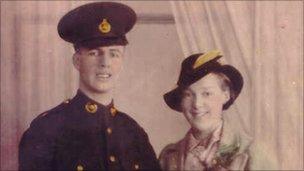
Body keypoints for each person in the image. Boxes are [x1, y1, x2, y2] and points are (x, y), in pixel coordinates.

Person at [18, 2, 160, 171]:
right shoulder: (47, 130)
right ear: (77, 61)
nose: (105, 63)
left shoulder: (134, 133)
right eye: (94, 53)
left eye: (114, 54)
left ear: (122, 61)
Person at [159, 50, 252, 171]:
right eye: (188, 94)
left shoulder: (249, 152)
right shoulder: (168, 157)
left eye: (207, 93)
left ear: (226, 95)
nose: (197, 104)